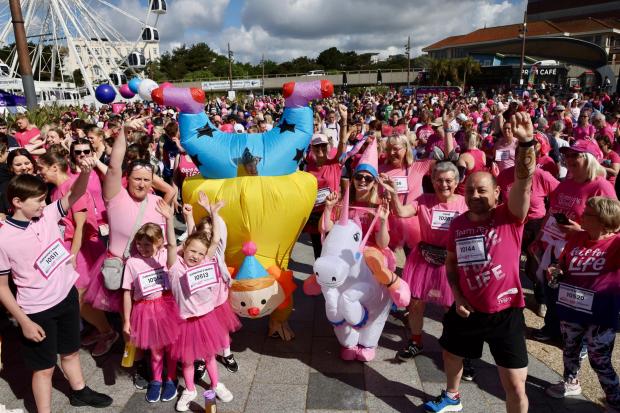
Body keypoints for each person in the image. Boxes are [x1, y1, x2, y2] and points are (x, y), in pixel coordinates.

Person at [423, 112, 535, 413]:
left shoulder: (509, 217)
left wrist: (526, 143)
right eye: (470, 190)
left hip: (505, 313)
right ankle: (452, 397)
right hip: (467, 309)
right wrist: (457, 296)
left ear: (497, 193)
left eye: (482, 190)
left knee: (513, 384)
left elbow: (524, 180)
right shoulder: (458, 224)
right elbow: (450, 263)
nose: (475, 195)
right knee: (450, 355)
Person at [0, 158, 113, 412]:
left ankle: (79, 390)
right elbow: (2, 288)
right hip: (37, 311)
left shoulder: (48, 214)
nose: (44, 203)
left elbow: (76, 193)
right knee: (44, 369)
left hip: (67, 296)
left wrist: (84, 173)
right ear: (17, 202)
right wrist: (25, 322)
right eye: (38, 200)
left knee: (71, 352)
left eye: (44, 199)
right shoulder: (3, 238)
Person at [102, 120, 168, 389]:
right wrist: (124, 131)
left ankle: (159, 363)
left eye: (147, 180)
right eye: (137, 178)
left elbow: (164, 238)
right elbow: (115, 165)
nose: (141, 184)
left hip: (152, 273)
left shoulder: (157, 201)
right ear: (128, 180)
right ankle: (139, 363)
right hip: (122, 269)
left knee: (153, 323)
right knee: (129, 324)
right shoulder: (115, 195)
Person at [382, 162, 468, 364]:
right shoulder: (424, 200)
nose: (443, 184)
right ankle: (416, 341)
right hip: (424, 258)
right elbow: (402, 212)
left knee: (452, 307)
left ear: (456, 182)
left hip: (451, 260)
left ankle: (454, 347)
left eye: (448, 180)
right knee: (416, 303)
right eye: (439, 180)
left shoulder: (464, 203)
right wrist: (394, 194)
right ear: (432, 181)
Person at [532, 140, 617, 342]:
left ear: (588, 159)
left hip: (581, 251)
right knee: (551, 289)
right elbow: (552, 212)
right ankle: (553, 329)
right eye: (567, 155)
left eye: (574, 155)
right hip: (553, 245)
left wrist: (580, 231)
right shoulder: (566, 184)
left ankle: (572, 338)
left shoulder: (601, 186)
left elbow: (614, 223)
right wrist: (538, 238)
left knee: (571, 295)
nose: (568, 160)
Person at [37, 151, 118, 357]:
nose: (39, 173)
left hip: (80, 250)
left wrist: (72, 256)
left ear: (54, 167)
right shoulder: (56, 190)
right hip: (67, 250)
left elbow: (80, 225)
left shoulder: (71, 187)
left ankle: (108, 332)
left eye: (41, 168)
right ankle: (101, 329)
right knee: (81, 299)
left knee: (79, 299)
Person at [544, 197, 620, 412]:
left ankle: (615, 400)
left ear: (604, 220)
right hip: (571, 307)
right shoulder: (577, 238)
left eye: (587, 214)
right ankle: (571, 382)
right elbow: (563, 264)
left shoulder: (616, 242)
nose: (581, 217)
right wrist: (555, 270)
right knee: (570, 348)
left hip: (601, 313)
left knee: (599, 358)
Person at [166, 197, 240, 411]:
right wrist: (169, 219)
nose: (196, 256)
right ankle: (190, 389)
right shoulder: (176, 267)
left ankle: (216, 384)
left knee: (209, 356)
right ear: (184, 248)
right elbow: (172, 245)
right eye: (192, 251)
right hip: (186, 321)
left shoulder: (206, 260)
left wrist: (213, 212)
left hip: (207, 318)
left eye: (200, 253)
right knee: (188, 360)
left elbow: (215, 240)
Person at [122, 209, 182, 404]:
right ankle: (156, 380)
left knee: (171, 347)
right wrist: (126, 320)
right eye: (139, 244)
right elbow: (126, 292)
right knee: (155, 350)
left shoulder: (165, 255)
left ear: (159, 243)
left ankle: (171, 378)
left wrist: (169, 218)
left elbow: (176, 246)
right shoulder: (132, 262)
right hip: (145, 309)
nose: (142, 248)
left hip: (167, 306)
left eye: (147, 244)